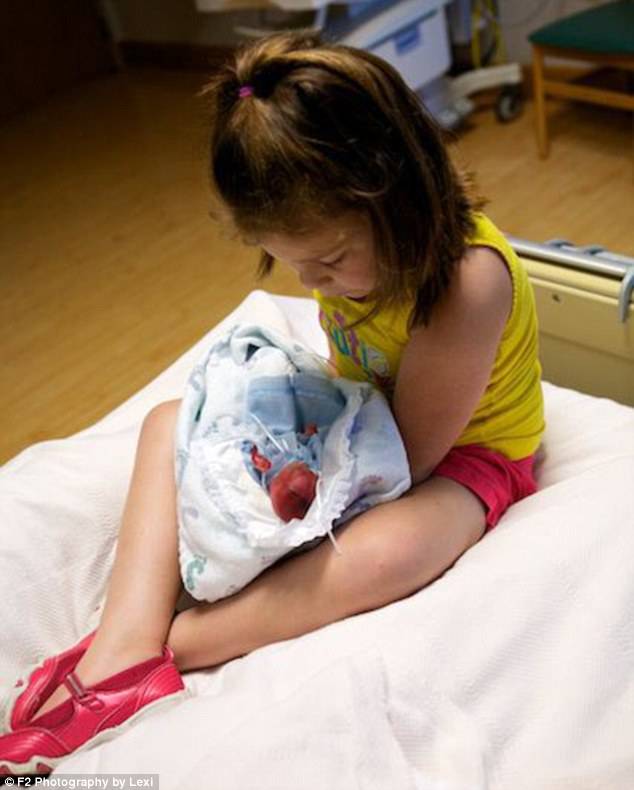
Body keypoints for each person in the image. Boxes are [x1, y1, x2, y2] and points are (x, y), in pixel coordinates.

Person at [0, 30, 544, 773]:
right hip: (360, 415)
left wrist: (282, 500)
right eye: (294, 266)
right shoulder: (349, 252)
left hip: (459, 458)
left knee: (390, 551)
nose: (313, 284)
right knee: (171, 421)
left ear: (397, 192)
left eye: (329, 260)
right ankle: (121, 644)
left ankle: (181, 643)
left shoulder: (466, 282)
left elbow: (409, 461)